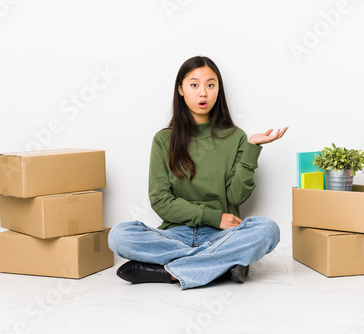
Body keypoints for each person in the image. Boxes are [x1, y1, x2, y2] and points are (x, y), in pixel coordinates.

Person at [108, 56, 288, 290]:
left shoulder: (236, 137)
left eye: (210, 85)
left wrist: (252, 148)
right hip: (175, 235)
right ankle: (220, 264)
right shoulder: (164, 140)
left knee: (268, 230)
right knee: (119, 235)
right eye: (194, 85)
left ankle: (169, 273)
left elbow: (235, 197)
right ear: (180, 89)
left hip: (221, 235)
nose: (203, 93)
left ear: (218, 90)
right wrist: (214, 217)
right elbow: (160, 201)